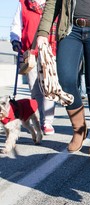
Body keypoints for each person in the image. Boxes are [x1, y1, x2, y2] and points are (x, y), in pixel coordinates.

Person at [36, 0, 90, 154]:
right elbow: (52, 3)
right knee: (66, 80)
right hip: (71, 30)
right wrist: (43, 32)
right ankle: (79, 130)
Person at [10, 0, 57, 135]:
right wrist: (15, 40)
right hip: (30, 53)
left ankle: (47, 122)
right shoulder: (23, 4)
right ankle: (39, 119)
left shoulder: (53, 3)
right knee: (35, 88)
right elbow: (16, 25)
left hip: (49, 52)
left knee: (48, 87)